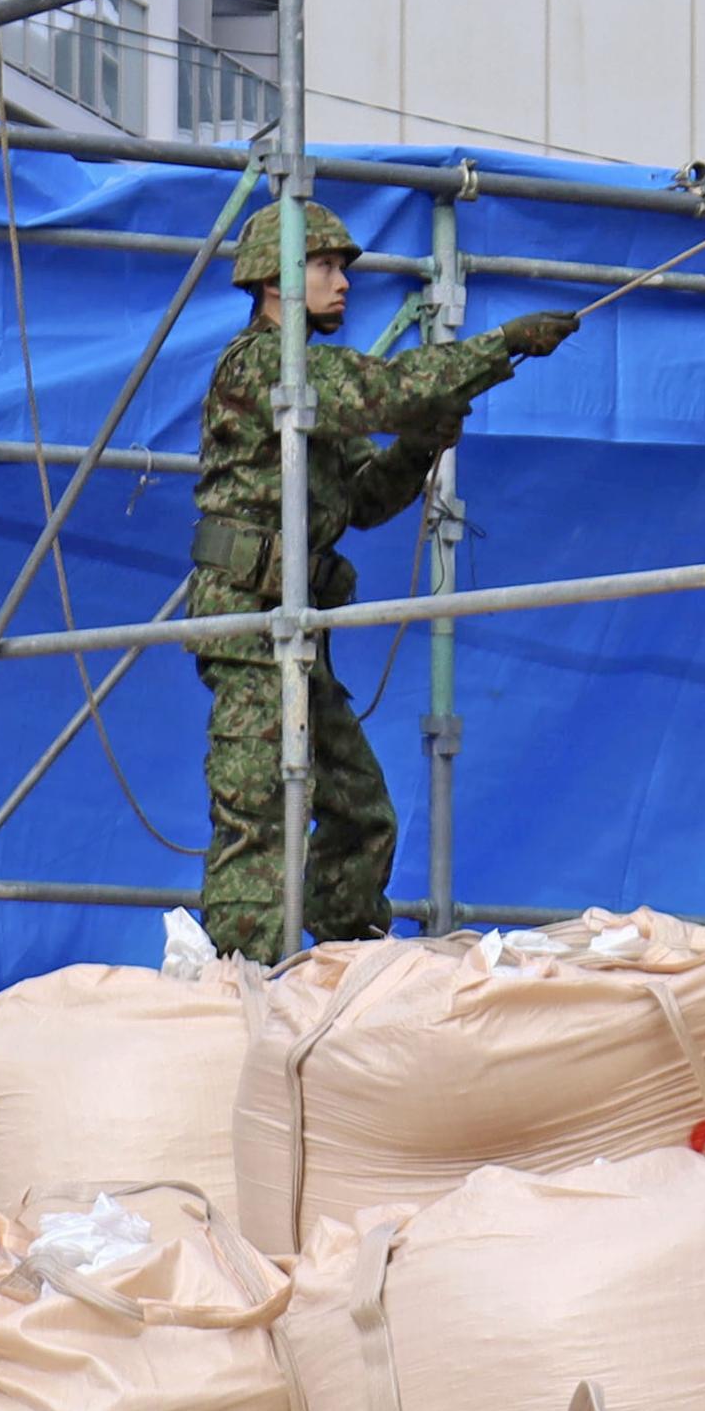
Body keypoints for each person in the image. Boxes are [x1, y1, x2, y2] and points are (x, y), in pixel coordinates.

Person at [189, 200, 580, 959]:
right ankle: (242, 987)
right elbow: (393, 388)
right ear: (274, 280)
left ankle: (343, 964)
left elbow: (360, 501)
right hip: (248, 623)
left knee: (359, 810)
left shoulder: (306, 384)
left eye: (342, 268)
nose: (342, 283)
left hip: (292, 624)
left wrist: (416, 446)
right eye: (325, 267)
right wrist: (499, 349)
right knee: (258, 811)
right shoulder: (266, 363)